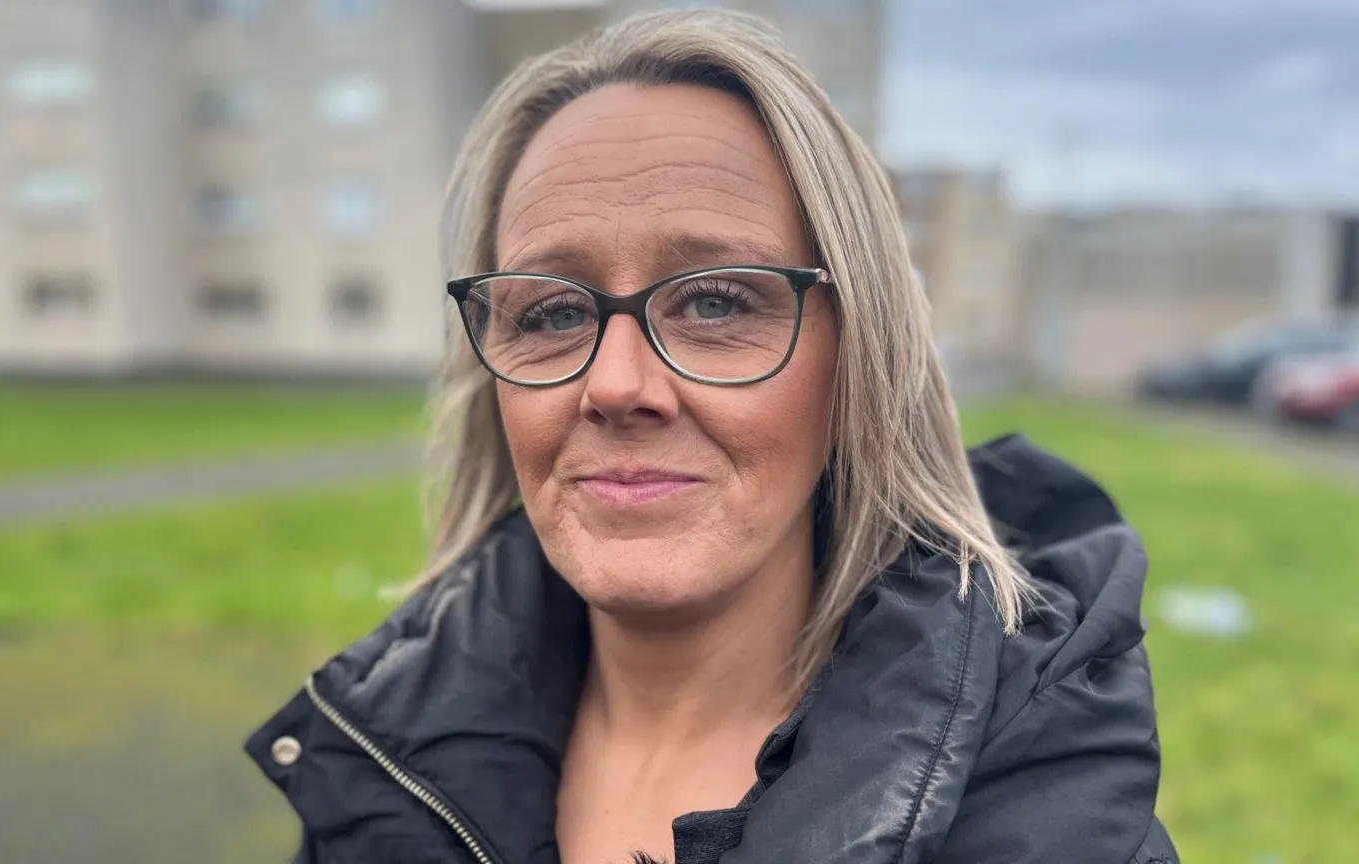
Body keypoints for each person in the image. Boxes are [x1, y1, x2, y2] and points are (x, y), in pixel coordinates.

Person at [247, 9, 1178, 864]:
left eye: (717, 301)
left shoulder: (1040, 805)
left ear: (858, 360)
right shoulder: (386, 746)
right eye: (550, 313)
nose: (616, 385)